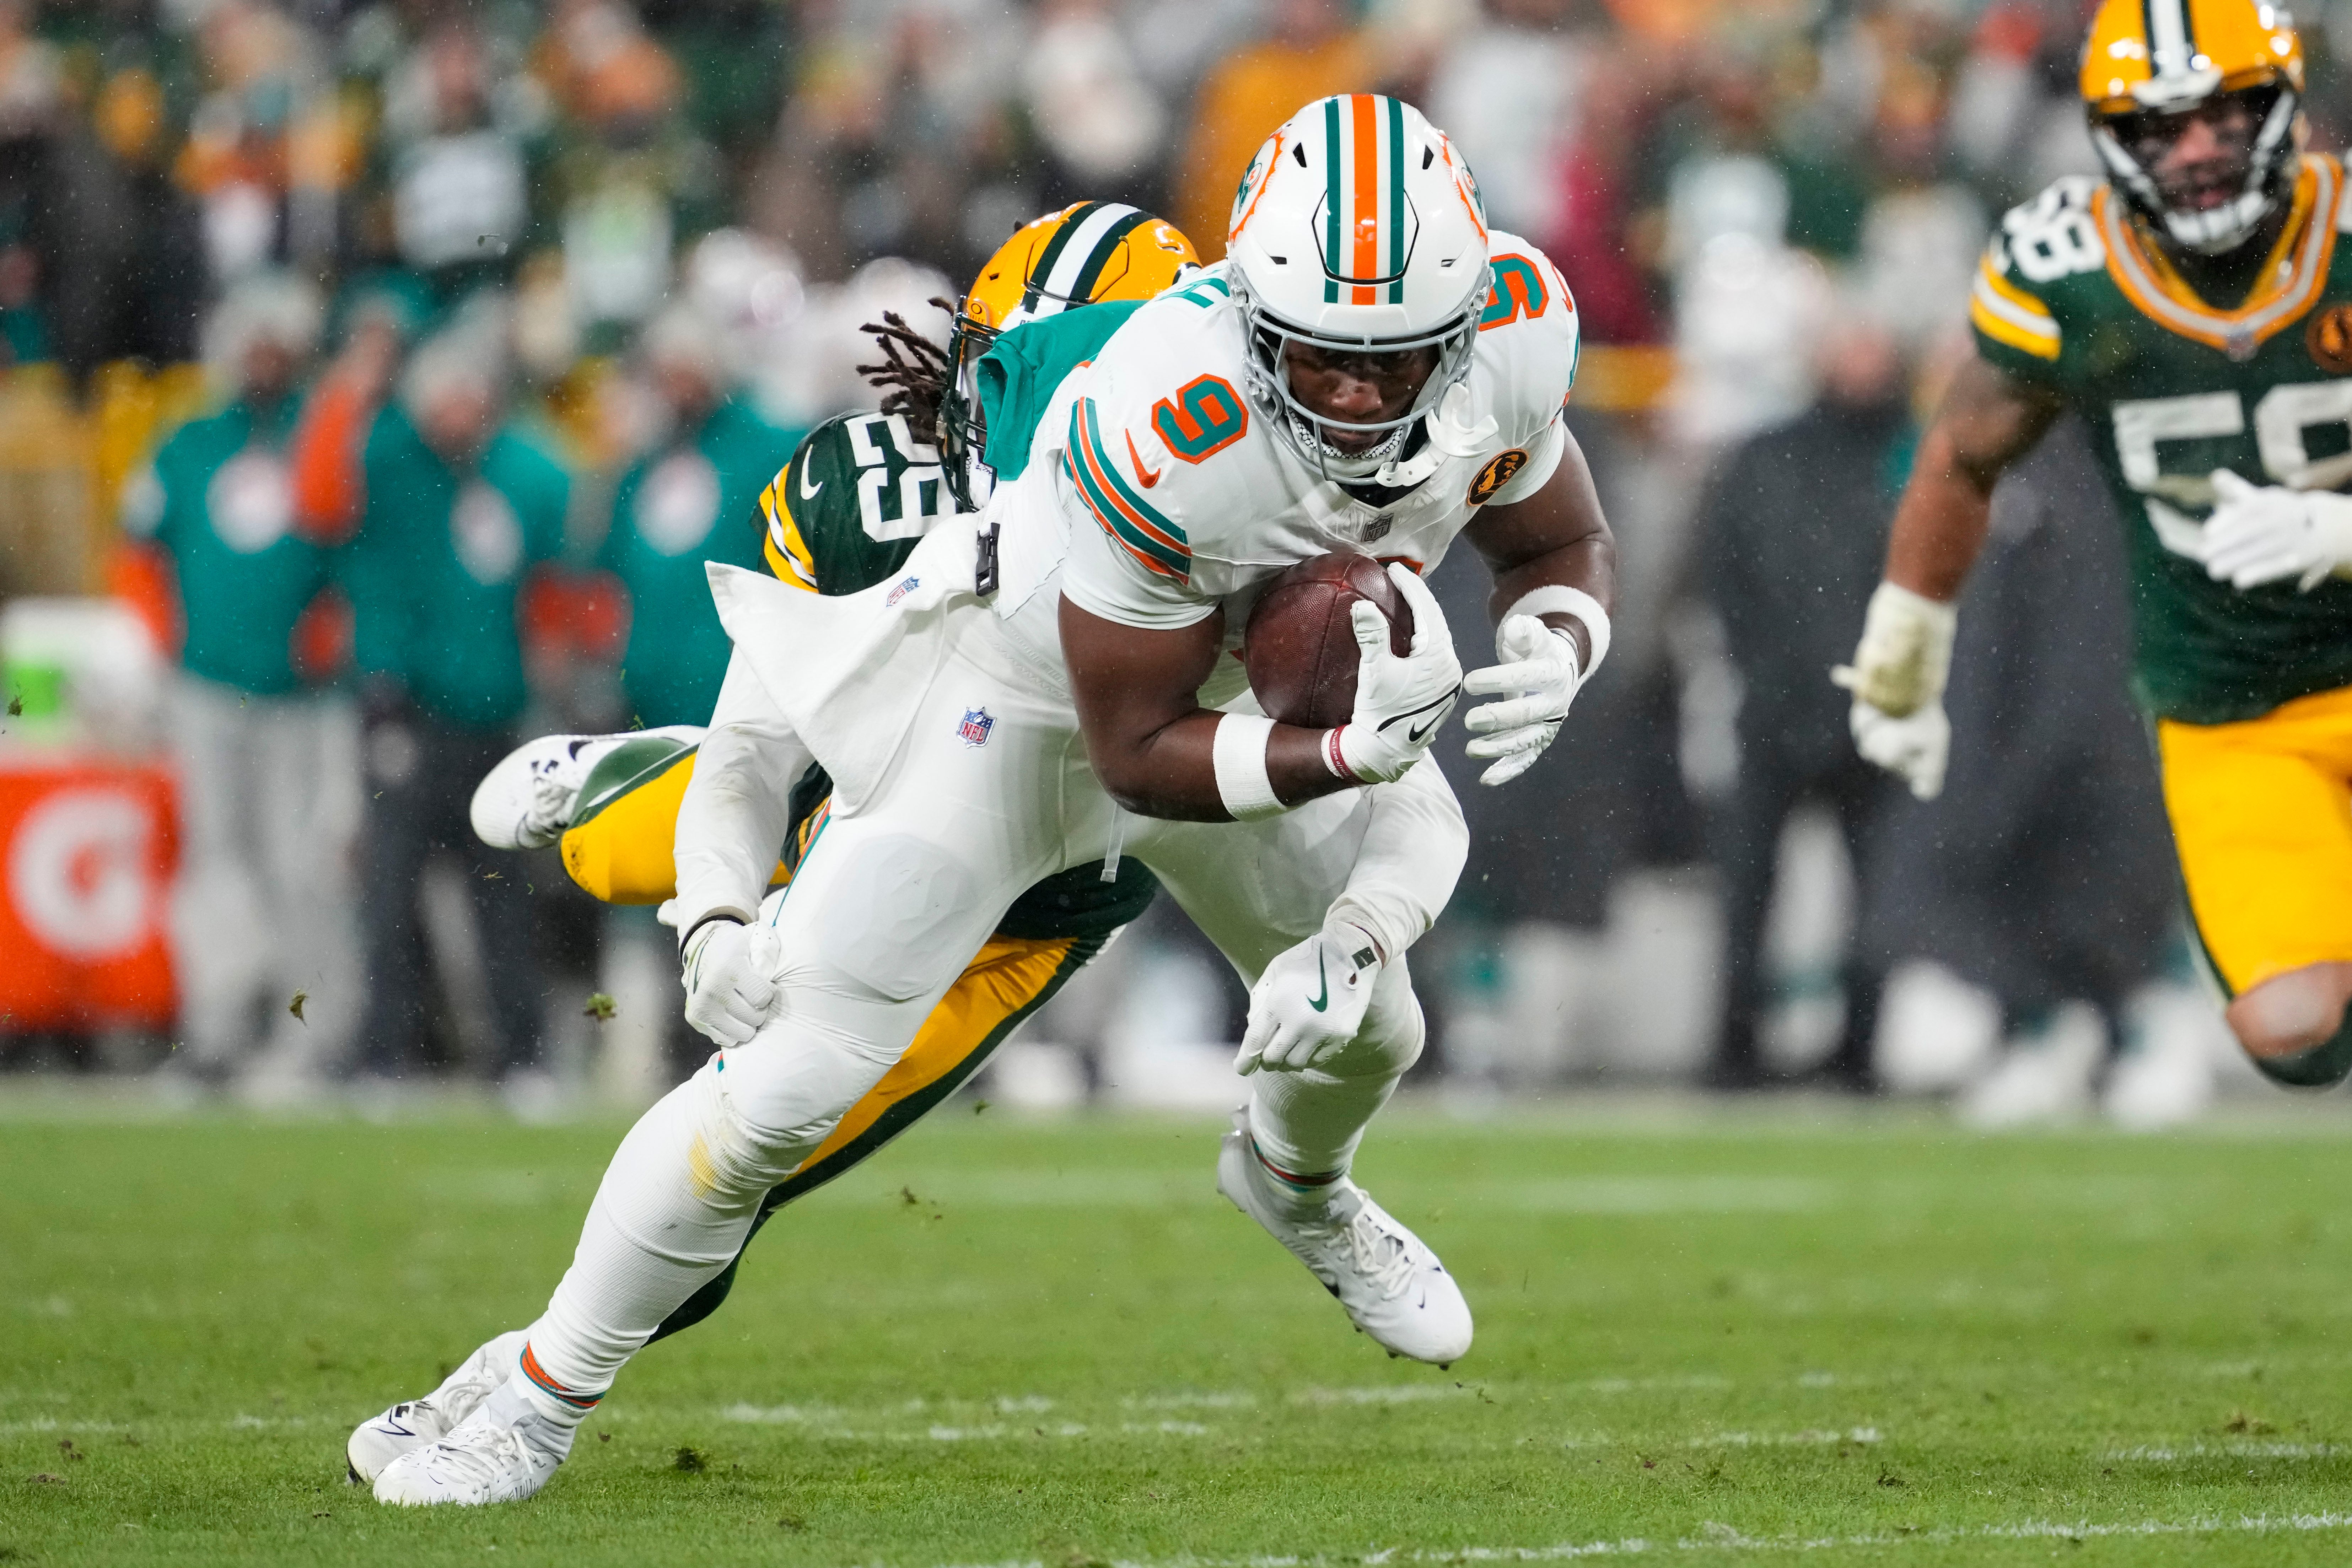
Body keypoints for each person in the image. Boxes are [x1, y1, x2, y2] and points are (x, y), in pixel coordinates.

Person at [360, 97, 1613, 1507]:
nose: (1363, 402)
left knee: (1371, 1020)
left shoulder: (1513, 327)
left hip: (1233, 707)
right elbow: (1132, 747)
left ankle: (1295, 1179)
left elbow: (1554, 537)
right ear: (1248, 317)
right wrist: (1339, 758)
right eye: (1325, 357)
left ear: (1461, 323)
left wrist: (1557, 646)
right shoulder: (1166, 411)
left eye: (1397, 362)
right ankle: (537, 1396)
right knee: (791, 1082)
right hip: (1025, 711)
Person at [345, 201, 1208, 1485]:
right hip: (876, 791)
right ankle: (539, 1392)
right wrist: (710, 921)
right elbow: (766, 740)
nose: (1029, 402)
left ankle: (523, 1370)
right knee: (695, 964)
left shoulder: (1236, 504)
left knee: (752, 1170)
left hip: (1039, 893)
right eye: (1017, 365)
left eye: (1080, 369)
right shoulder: (868, 483)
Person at [1836, 0, 2352, 1094]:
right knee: (2293, 1030)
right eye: (2157, 126)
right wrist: (1908, 634)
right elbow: (1964, 455)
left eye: (2221, 116)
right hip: (2238, 706)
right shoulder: (2063, 264)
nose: (2194, 151)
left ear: (2283, 106)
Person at [121, 274, 361, 1089]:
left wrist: (339, 619)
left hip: (304, 696)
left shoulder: (322, 437)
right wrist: (168, 644)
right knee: (216, 863)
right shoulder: (188, 441)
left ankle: (315, 1037)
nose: (261, 357)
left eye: (275, 342)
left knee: (304, 868)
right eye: (249, 341)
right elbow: (138, 550)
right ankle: (214, 1034)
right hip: (208, 687)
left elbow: (355, 540)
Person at [327, 320, 570, 1094]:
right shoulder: (393, 464)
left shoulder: (525, 474)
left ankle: (520, 1056)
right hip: (408, 708)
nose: (459, 412)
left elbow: (558, 581)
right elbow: (328, 491)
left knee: (501, 901)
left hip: (495, 713)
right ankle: (385, 1053)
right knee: (390, 895)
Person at [1688, 310, 1913, 1092]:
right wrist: (1765, 670)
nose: (1858, 364)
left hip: (1883, 713)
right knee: (1747, 889)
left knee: (1880, 890)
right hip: (1773, 708)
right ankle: (1733, 1045)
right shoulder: (1766, 455)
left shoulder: (1913, 455)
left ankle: (1860, 1049)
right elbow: (1722, 568)